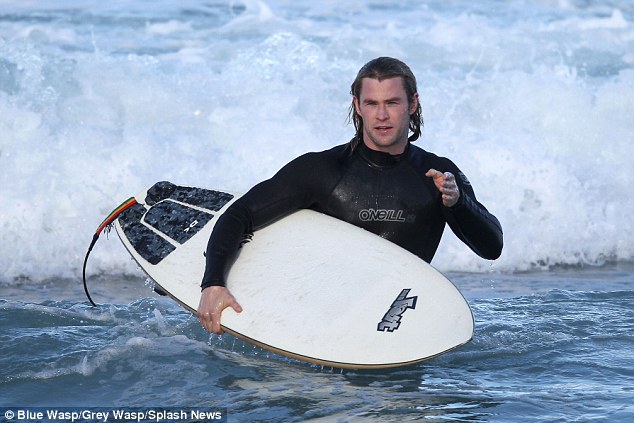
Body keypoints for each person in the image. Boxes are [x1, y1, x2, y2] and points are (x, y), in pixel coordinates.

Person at [198, 57, 503, 334]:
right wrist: (212, 284)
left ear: (412, 103)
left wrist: (457, 203)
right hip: (319, 319)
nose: (381, 115)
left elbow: (492, 247)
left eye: (392, 102)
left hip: (395, 326)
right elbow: (240, 215)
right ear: (357, 105)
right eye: (372, 103)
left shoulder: (438, 175)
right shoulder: (323, 170)